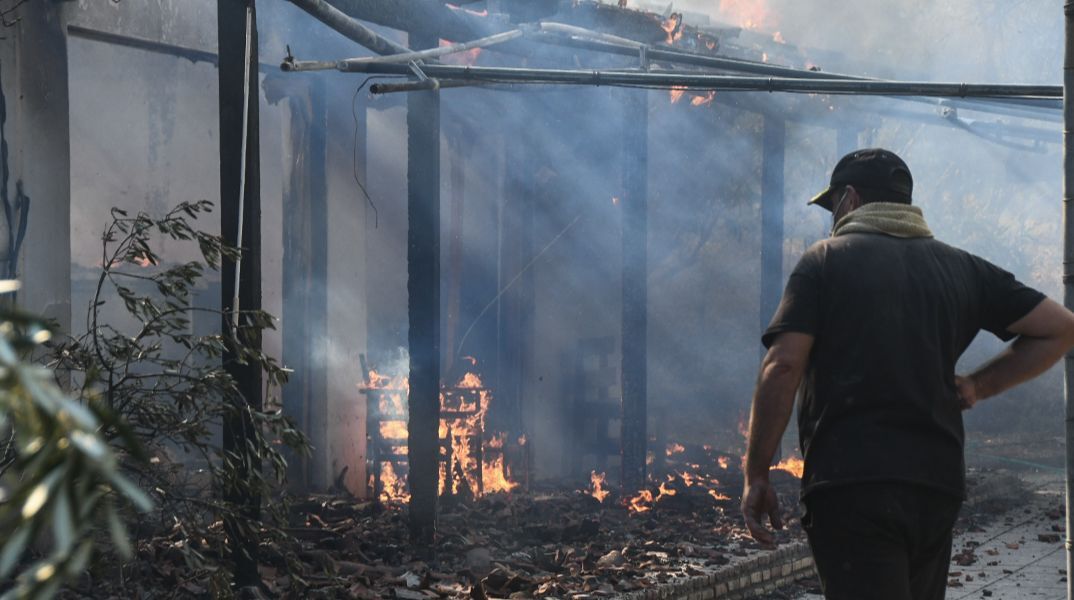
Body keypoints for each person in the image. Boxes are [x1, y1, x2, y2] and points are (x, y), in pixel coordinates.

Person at [740, 148, 1074, 600]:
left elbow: (782, 366)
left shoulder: (824, 261)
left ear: (850, 199)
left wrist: (757, 472)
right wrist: (979, 385)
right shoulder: (964, 268)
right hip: (935, 485)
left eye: (833, 205)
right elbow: (1059, 329)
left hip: (851, 484)